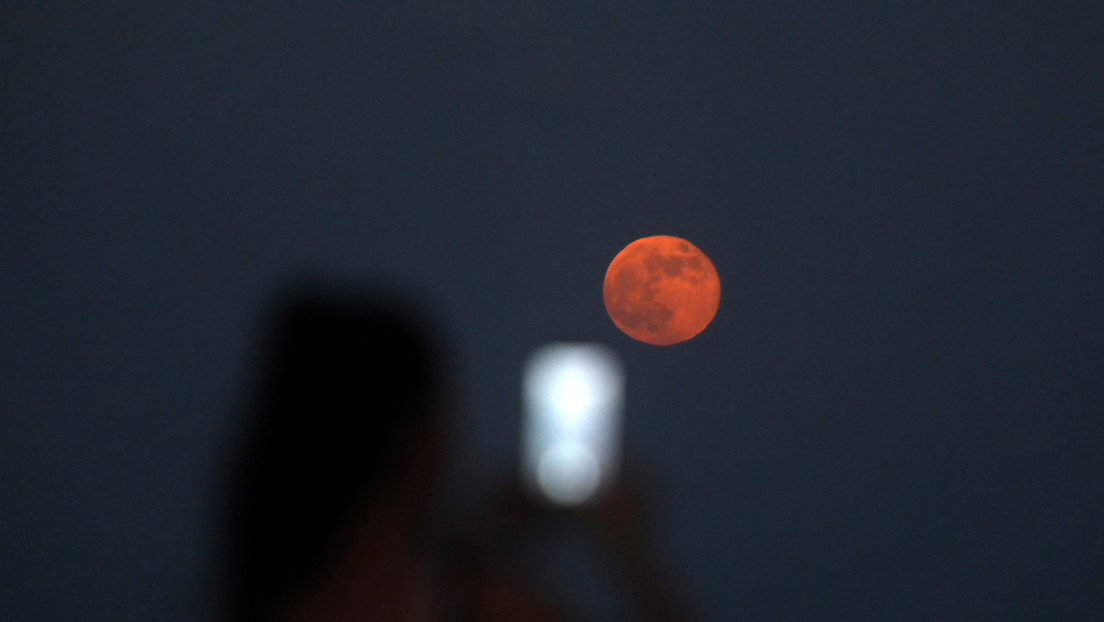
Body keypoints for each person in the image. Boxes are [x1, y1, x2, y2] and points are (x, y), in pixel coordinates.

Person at [220, 279, 694, 622]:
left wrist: (483, 537)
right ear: (418, 438)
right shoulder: (476, 600)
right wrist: (633, 555)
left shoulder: (270, 593)